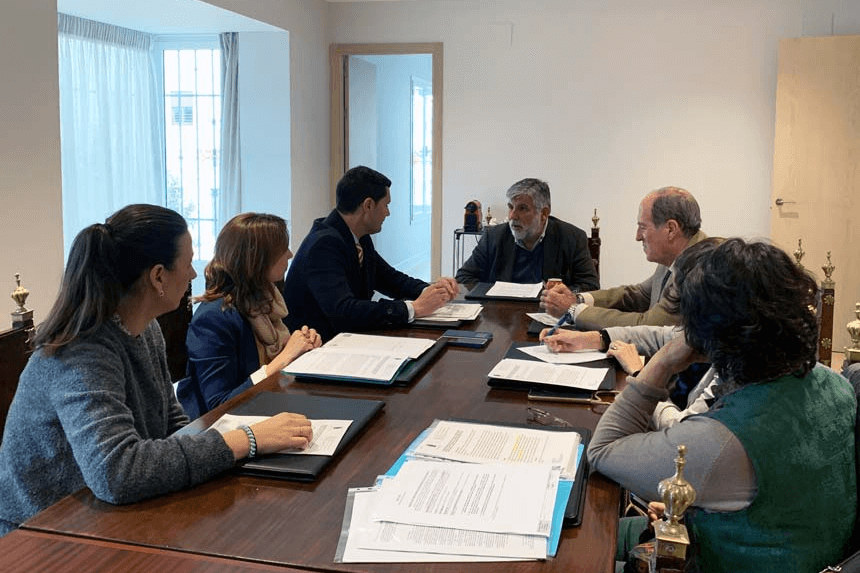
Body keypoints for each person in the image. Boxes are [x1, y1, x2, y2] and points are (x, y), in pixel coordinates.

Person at [0, 205, 313, 537]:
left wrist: (233, 448)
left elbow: (172, 426)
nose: (194, 275)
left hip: (99, 517)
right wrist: (247, 440)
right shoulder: (80, 351)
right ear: (158, 276)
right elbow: (116, 472)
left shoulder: (145, 329)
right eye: (188, 263)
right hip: (37, 533)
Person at [587, 238, 856, 572]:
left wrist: (661, 364)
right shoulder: (835, 384)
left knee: (584, 545)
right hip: (815, 553)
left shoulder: (722, 440)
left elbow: (602, 451)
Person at [283, 166, 458, 341]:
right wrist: (413, 309)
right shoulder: (324, 244)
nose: (388, 213)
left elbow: (391, 279)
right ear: (368, 205)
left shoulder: (359, 236)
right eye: (386, 205)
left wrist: (433, 291)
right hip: (319, 347)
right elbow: (344, 311)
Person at [177, 213, 322, 419]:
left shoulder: (265, 299)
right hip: (221, 428)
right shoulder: (213, 319)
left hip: (265, 409)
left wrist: (302, 349)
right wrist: (284, 359)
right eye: (283, 249)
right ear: (259, 259)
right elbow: (219, 405)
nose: (290, 255)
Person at [541, 186, 707, 329]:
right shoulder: (678, 253)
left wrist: (574, 310)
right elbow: (640, 294)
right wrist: (578, 299)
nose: (637, 237)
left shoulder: (698, 268)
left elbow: (650, 325)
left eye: (643, 227)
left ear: (670, 229)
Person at [455, 178, 599, 291]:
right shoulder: (493, 237)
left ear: (544, 213)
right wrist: (493, 292)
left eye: (522, 208)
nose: (512, 216)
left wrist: (565, 295)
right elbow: (463, 277)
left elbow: (590, 286)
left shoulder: (572, 238)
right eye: (511, 207)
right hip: (502, 314)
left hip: (548, 314)